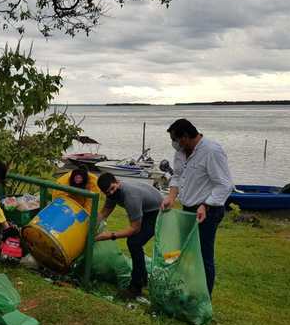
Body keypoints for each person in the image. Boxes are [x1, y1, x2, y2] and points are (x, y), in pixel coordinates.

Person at [161, 118, 233, 296]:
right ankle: (185, 287)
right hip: (188, 209)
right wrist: (171, 196)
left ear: (185, 137)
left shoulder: (212, 151)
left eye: (175, 140)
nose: (174, 145)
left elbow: (224, 185)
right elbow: (177, 176)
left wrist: (206, 205)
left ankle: (203, 298)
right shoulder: (181, 152)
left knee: (203, 255)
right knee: (182, 249)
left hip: (208, 210)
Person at [95, 173, 163, 300]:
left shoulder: (130, 196)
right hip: (147, 205)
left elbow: (134, 228)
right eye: (107, 192)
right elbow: (104, 212)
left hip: (157, 210)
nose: (111, 193)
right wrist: (91, 226)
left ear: (117, 182)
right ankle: (142, 278)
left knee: (134, 243)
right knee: (134, 244)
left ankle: (136, 288)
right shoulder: (111, 194)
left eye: (112, 189)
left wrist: (110, 235)